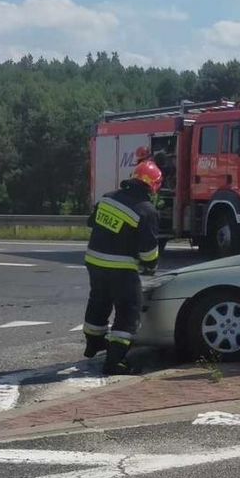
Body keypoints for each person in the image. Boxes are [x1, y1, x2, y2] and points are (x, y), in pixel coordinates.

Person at [82, 160, 162, 375]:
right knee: (128, 311)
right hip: (121, 268)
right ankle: (115, 361)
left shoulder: (108, 198)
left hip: (94, 261)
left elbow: (92, 223)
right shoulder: (147, 211)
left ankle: (94, 343)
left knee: (99, 300)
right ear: (154, 186)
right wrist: (151, 265)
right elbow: (149, 253)